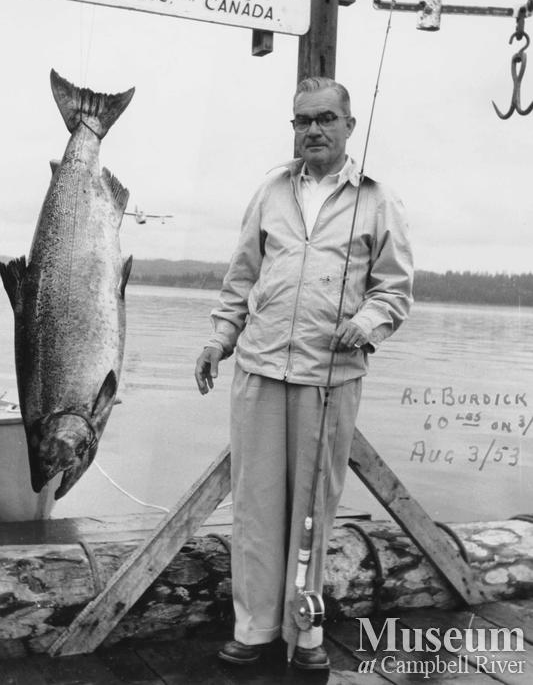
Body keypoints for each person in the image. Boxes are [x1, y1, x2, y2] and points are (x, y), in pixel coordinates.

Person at [194, 76, 414, 671]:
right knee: (256, 508)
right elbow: (241, 277)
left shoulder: (377, 199)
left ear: (349, 126)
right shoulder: (270, 191)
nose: (313, 130)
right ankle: (255, 629)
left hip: (329, 377)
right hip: (260, 368)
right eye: (302, 121)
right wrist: (220, 340)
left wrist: (366, 323)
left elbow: (394, 290)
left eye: (324, 119)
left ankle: (307, 636)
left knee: (314, 509)